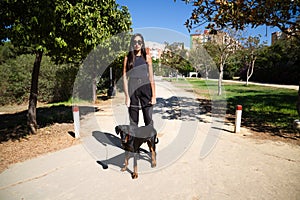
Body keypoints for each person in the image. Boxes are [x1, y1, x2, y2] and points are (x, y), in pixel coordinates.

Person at [123, 33, 156, 127]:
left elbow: (151, 77)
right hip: (132, 87)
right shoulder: (127, 58)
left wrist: (153, 96)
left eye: (139, 42)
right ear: (132, 44)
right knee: (133, 119)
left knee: (148, 118)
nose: (137, 44)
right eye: (134, 42)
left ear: (142, 44)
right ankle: (133, 140)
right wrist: (127, 96)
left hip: (145, 87)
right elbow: (125, 78)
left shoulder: (147, 57)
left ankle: (151, 139)